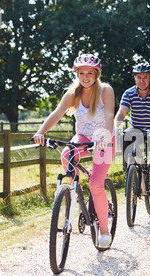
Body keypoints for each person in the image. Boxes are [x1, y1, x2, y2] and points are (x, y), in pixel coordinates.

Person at [33, 53, 116, 248]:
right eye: (81, 73)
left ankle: (104, 230)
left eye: (90, 73)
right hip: (84, 138)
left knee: (96, 184)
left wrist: (105, 136)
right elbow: (56, 114)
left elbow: (110, 115)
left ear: (96, 74)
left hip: (105, 138)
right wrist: (41, 132)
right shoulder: (73, 93)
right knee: (66, 154)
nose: (85, 77)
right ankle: (73, 190)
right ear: (76, 74)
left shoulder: (106, 91)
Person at [114, 63, 150, 208]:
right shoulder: (129, 93)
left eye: (145, 77)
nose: (142, 81)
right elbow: (121, 112)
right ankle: (130, 175)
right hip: (136, 128)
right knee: (125, 135)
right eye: (138, 77)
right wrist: (114, 127)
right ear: (134, 78)